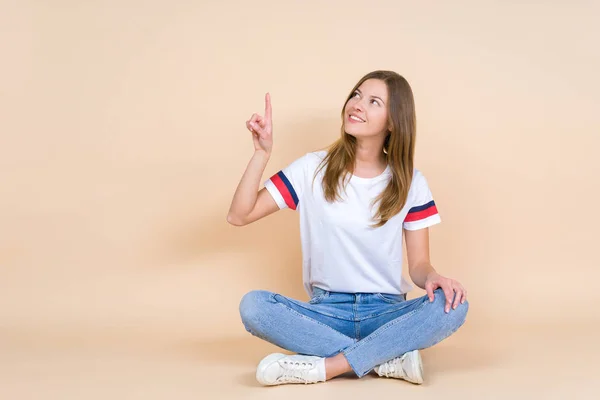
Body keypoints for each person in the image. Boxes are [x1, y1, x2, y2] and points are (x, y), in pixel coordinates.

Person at [227, 70, 469, 386]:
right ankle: (382, 360)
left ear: (393, 121)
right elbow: (239, 215)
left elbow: (419, 266)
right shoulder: (312, 168)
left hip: (385, 314)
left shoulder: (411, 182)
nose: (357, 105)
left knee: (455, 305)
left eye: (373, 102)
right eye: (356, 95)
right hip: (326, 314)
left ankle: (327, 367)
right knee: (254, 307)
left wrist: (435, 278)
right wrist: (262, 153)